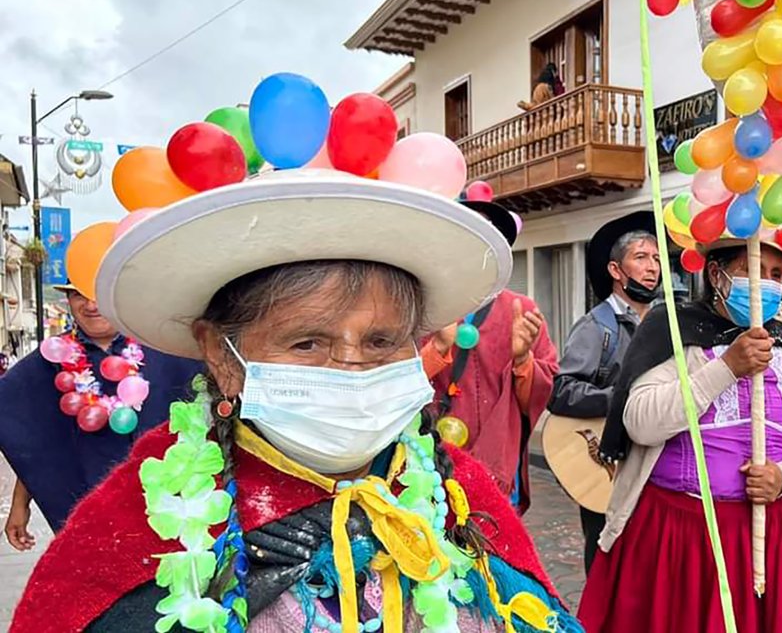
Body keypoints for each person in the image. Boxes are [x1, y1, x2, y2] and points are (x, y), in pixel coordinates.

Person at [11, 164, 580, 632]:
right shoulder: (134, 520)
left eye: (382, 342)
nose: (353, 367)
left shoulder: (457, 491)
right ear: (218, 353)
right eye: (308, 342)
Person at [581, 239, 782, 632]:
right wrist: (726, 368)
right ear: (716, 274)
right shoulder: (671, 329)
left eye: (777, 276)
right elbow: (640, 421)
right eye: (754, 271)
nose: (767, 284)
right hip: (679, 539)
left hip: (775, 536)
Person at [0, 283, 202, 547]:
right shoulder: (48, 362)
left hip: (170, 515)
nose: (91, 305)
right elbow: (32, 437)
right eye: (77, 294)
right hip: (89, 516)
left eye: (99, 293)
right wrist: (20, 504)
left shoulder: (168, 348)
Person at [420, 200, 558, 514]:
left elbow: (541, 393)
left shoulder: (523, 310)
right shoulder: (425, 306)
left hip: (498, 465)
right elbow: (395, 383)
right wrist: (437, 349)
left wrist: (523, 360)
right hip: (431, 466)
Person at [548, 211, 660, 573]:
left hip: (651, 462)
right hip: (604, 464)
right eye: (641, 257)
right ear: (616, 270)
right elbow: (562, 390)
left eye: (657, 258)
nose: (653, 267)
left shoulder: (666, 324)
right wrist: (621, 399)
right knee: (606, 561)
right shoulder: (597, 326)